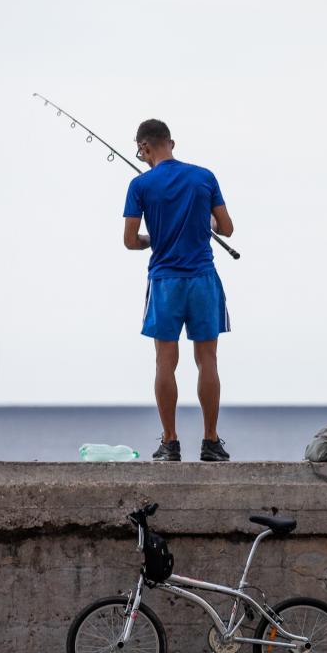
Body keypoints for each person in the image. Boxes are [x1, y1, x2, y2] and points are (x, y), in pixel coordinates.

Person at [122, 118, 234, 462]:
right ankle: (211, 442)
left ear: (144, 147)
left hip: (165, 282)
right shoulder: (204, 177)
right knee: (208, 361)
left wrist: (152, 240)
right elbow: (226, 228)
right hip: (202, 279)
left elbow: (130, 241)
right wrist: (207, 224)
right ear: (171, 142)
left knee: (165, 364)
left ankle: (170, 443)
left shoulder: (140, 185)